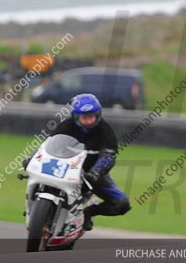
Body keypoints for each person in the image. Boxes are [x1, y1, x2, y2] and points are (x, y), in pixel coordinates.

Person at [43, 93, 131, 231]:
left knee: (122, 203)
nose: (89, 121)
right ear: (76, 117)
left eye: (92, 116)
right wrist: (32, 158)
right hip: (65, 168)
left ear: (98, 114)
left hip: (91, 173)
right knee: (42, 182)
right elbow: (48, 145)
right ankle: (40, 210)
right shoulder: (67, 126)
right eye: (85, 117)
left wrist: (96, 172)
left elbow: (109, 155)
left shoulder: (105, 130)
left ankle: (88, 213)